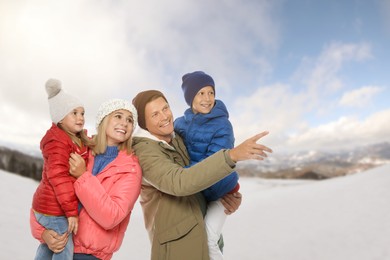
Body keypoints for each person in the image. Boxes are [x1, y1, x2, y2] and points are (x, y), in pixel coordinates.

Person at [132, 90, 272, 260]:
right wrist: (231, 156)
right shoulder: (144, 152)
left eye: (165, 108)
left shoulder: (177, 138)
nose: (164, 116)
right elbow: (180, 182)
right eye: (155, 114)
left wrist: (224, 196)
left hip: (203, 237)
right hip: (178, 249)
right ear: (144, 123)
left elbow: (200, 173)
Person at [30, 98, 142, 260]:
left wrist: (83, 176)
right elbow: (48, 191)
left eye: (130, 120)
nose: (124, 123)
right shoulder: (80, 150)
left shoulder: (130, 169)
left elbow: (111, 217)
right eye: (118, 116)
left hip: (89, 255)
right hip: (55, 247)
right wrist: (43, 233)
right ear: (103, 120)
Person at [174, 71, 240, 260]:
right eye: (201, 93)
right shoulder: (181, 123)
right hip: (200, 190)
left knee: (209, 238)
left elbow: (215, 164)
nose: (207, 98)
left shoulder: (222, 125)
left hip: (221, 192)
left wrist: (180, 177)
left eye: (211, 92)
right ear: (190, 98)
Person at [31, 78, 90, 260]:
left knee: (50, 245)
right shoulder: (57, 142)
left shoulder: (73, 138)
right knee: (63, 245)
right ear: (60, 117)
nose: (80, 118)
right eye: (74, 113)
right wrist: (71, 213)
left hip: (50, 206)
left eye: (82, 113)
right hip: (53, 209)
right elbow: (59, 178)